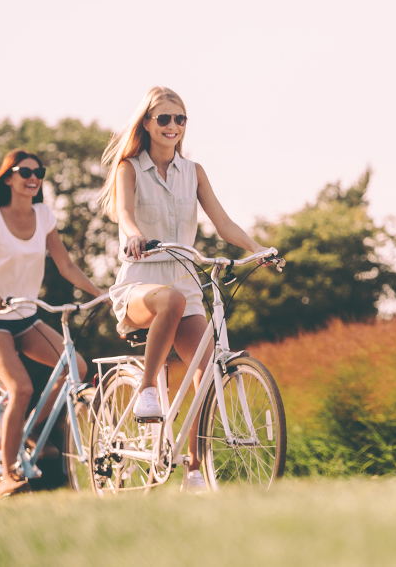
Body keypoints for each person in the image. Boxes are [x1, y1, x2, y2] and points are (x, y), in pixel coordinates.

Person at [98, 86, 268, 493]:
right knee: (168, 302)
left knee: (209, 371)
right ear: (147, 123)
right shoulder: (129, 167)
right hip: (141, 280)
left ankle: (193, 467)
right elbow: (123, 213)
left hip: (186, 281)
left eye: (180, 119)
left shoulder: (194, 172)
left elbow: (223, 224)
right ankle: (146, 392)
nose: (173, 126)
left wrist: (258, 249)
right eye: (164, 119)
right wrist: (134, 234)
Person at [0, 150, 102, 497]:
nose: (33, 177)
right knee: (20, 388)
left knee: (76, 367)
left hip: (26, 316)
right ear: (9, 178)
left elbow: (66, 265)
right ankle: (7, 474)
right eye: (25, 171)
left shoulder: (44, 215)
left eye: (39, 171)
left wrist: (101, 293)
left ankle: (34, 429)